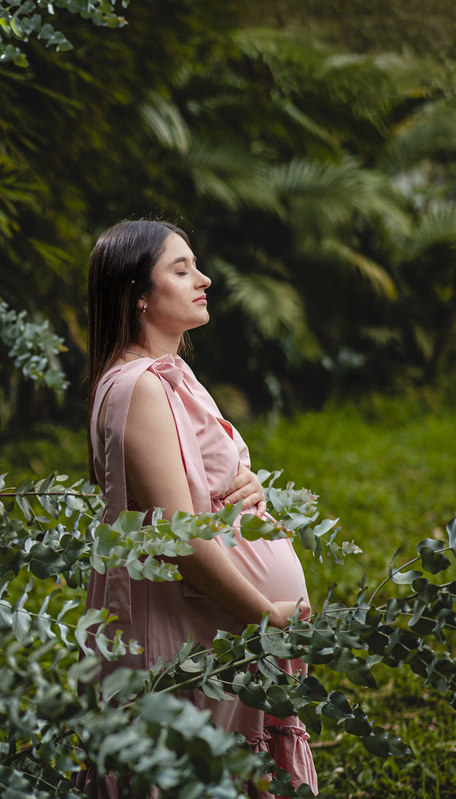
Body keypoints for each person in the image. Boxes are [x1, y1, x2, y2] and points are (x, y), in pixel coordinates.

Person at [81, 219, 317, 797]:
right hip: (190, 629)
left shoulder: (171, 376)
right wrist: (268, 615)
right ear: (138, 294)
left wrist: (249, 488)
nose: (203, 279)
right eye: (181, 270)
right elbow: (179, 536)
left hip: (215, 624)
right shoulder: (139, 385)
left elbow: (200, 491)